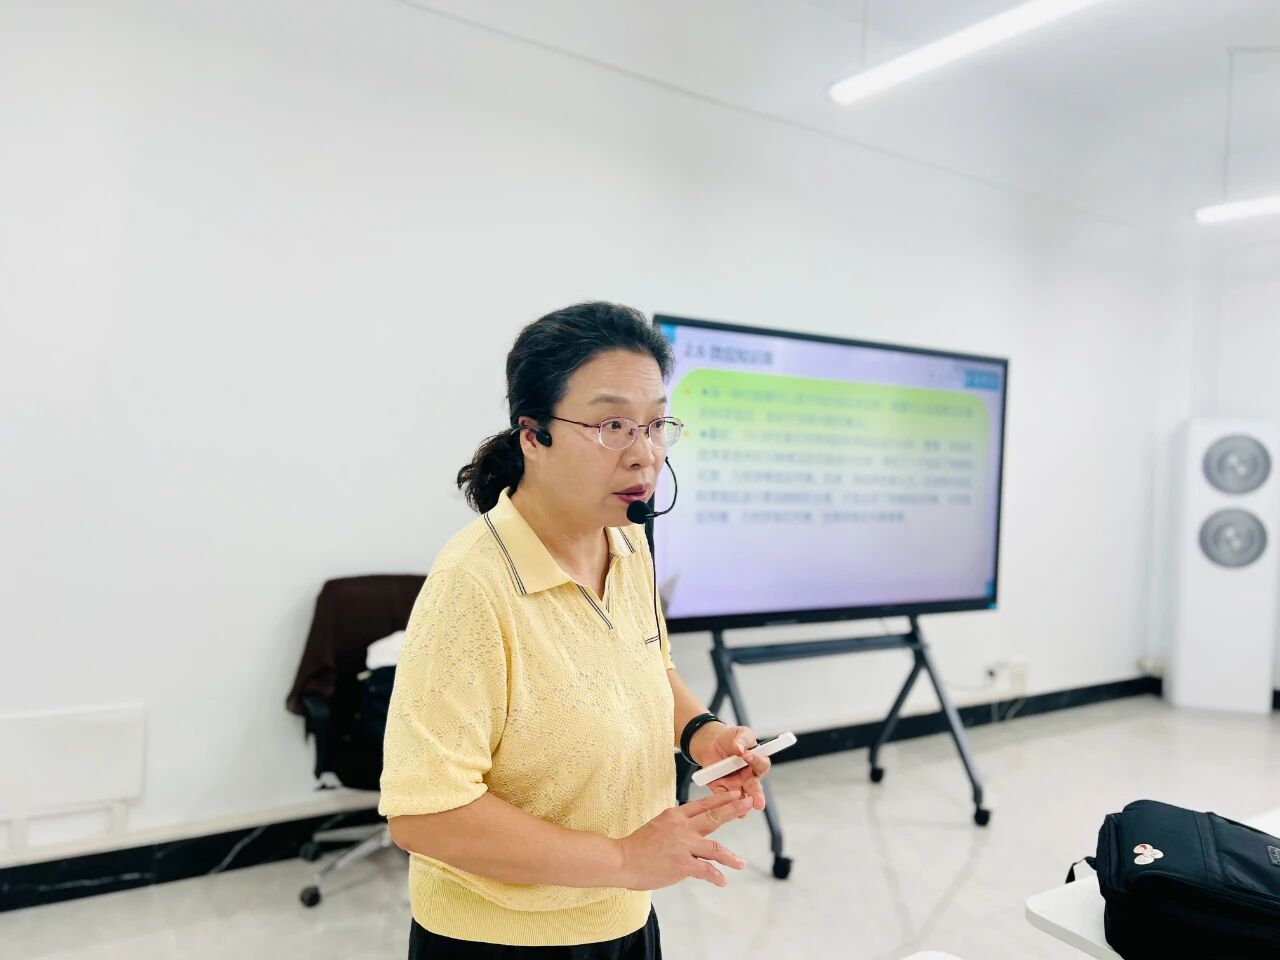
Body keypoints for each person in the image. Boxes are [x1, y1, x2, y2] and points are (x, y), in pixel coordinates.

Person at [380, 301, 775, 959]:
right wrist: (625, 858)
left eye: (656, 425)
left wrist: (704, 735)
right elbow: (424, 815)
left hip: (620, 912)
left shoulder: (627, 542)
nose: (644, 455)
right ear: (533, 435)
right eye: (613, 425)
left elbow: (647, 668)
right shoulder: (471, 585)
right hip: (499, 939)